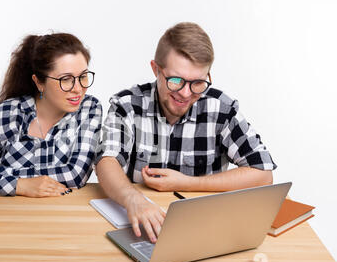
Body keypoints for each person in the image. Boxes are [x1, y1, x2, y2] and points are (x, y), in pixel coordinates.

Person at [95, 22, 276, 243]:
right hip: (140, 228)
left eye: (198, 82)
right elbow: (106, 161)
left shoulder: (221, 108)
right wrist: (133, 199)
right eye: (175, 81)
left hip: (205, 231)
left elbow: (263, 174)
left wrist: (187, 183)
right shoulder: (127, 104)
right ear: (155, 69)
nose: (185, 93)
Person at [0, 33, 102, 197]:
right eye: (66, 79)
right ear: (39, 82)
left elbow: (75, 174)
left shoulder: (89, 108)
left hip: (61, 216)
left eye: (83, 76)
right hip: (8, 215)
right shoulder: (6, 115)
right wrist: (19, 185)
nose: (78, 88)